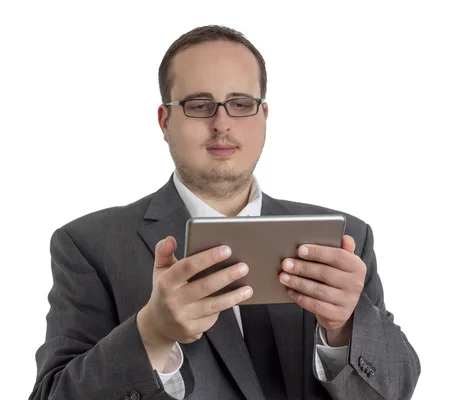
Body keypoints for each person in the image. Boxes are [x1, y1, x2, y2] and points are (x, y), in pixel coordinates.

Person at [30, 25, 420, 400]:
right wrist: (151, 334)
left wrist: (346, 326)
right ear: (166, 122)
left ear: (263, 116)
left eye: (241, 104)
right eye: (199, 105)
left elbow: (397, 389)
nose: (222, 123)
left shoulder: (346, 238)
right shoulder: (88, 245)